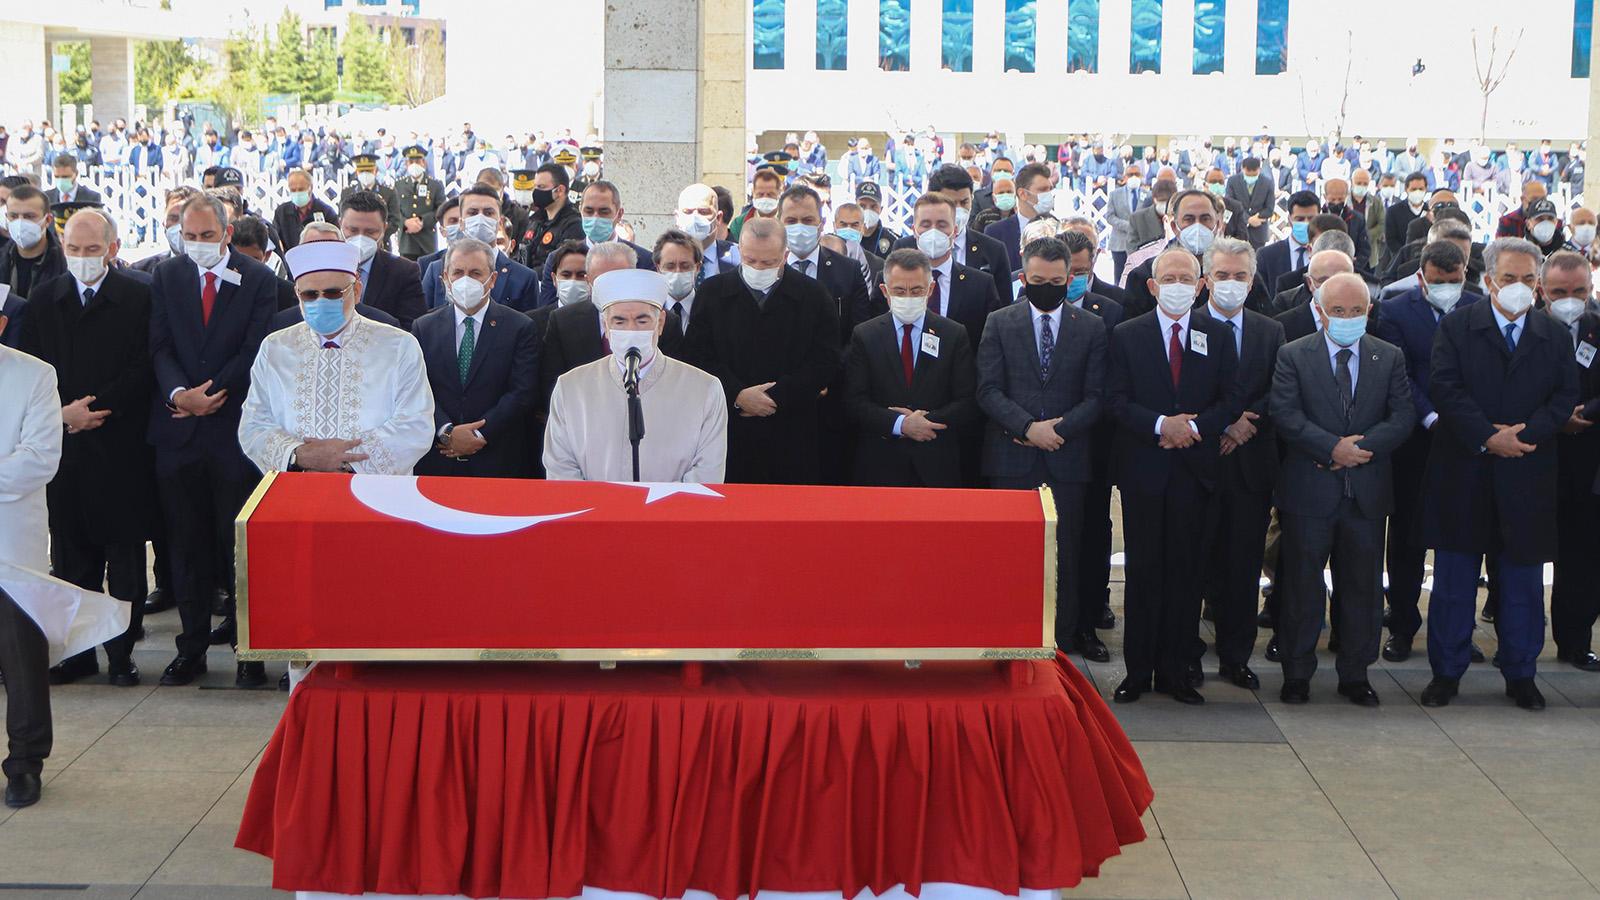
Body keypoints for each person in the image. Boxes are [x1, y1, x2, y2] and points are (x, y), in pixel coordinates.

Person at [1419, 238, 1578, 710]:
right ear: (1489, 280)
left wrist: (1525, 435)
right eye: (1509, 279)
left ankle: (1521, 672)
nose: (1519, 288)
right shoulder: (1458, 326)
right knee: (1453, 583)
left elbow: (1563, 396)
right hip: (1465, 468)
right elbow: (1444, 387)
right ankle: (1446, 673)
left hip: (1526, 470)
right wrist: (1489, 436)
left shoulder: (1551, 334)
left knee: (1523, 584)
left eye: (1529, 280)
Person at [14, 208, 153, 688]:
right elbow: (34, 367)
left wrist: (99, 408)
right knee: (73, 558)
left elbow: (144, 366)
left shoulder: (138, 295)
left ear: (112, 250)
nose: (82, 258)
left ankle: (122, 653)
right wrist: (64, 413)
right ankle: (78, 652)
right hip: (66, 446)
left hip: (122, 446)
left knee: (127, 559)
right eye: (73, 249)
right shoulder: (45, 297)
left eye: (92, 250)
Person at [147, 193, 277, 689]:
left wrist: (211, 393)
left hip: (232, 432)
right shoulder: (167, 275)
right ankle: (191, 647)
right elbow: (158, 343)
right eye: (189, 236)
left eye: (207, 236)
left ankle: (249, 652)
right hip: (178, 430)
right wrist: (181, 393)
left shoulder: (261, 279)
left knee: (236, 546)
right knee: (184, 544)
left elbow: (255, 348)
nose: (197, 245)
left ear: (226, 232)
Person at [1270, 272, 1414, 705]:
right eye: (1338, 311)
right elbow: (1285, 412)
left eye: (1356, 311)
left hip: (1365, 494)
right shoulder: (1294, 355)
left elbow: (1402, 416)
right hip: (1309, 491)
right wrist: (1332, 447)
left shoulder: (1388, 356)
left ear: (1369, 311)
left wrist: (1359, 450)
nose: (1348, 318)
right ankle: (1297, 673)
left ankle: (1355, 674)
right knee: (1299, 586)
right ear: (1320, 311)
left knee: (1362, 587)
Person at [1108, 247, 1242, 704]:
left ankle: (1175, 672)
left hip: (1195, 471)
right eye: (1170, 279)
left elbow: (1230, 397)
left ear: (1201, 284)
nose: (1179, 286)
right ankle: (1137, 671)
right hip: (1146, 470)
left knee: (1186, 575)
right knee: (1144, 574)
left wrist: (1195, 428)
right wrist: (1162, 425)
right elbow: (1117, 399)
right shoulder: (1127, 335)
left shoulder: (1217, 335)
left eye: (1188, 278)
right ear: (1152, 286)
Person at [978, 237, 1108, 655]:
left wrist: (1060, 430)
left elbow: (1097, 395)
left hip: (1067, 459)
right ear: (1023, 277)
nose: (1047, 287)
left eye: (1055, 280)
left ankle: (1063, 637)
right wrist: (1027, 427)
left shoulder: (1090, 326)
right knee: (1008, 554)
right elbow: (988, 389)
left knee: (1066, 553)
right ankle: (1008, 635)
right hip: (1011, 458)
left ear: (1069, 278)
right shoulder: (999, 321)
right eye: (1038, 280)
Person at [239, 235, 434, 485]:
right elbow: (254, 425)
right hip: (297, 488)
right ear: (297, 294)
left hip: (376, 493)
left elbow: (415, 424)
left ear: (356, 290)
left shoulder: (398, 345)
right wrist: (301, 456)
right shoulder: (275, 348)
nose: (321, 301)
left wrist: (345, 462)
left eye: (332, 293)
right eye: (310, 294)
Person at [1370, 241, 1478, 662]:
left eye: (1454, 281)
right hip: (1415, 441)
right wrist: (1432, 418)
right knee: (1407, 541)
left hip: (1468, 441)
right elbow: (1400, 375)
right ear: (1421, 277)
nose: (1447, 288)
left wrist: (1468, 424)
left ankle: (1458, 631)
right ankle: (1401, 625)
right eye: (1438, 282)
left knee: (1463, 540)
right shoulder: (1395, 312)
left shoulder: (1479, 309)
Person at [685, 218, 840, 484]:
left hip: (793, 431)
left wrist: (776, 396)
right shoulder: (713, 293)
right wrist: (737, 394)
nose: (758, 268)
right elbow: (698, 356)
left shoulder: (813, 296)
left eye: (768, 262)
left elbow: (825, 361)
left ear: (785, 255)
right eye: (750, 260)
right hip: (730, 430)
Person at [1195, 238, 1284, 690]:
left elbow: (1280, 387)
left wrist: (1247, 423)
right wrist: (1222, 424)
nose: (1231, 284)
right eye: (1223, 275)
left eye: (1240, 276)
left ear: (1252, 281)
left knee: (1242, 565)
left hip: (1250, 466)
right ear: (1206, 278)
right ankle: (1185, 650)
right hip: (1198, 463)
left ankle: (1235, 656)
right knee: (1192, 563)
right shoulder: (1185, 325)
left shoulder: (1270, 331)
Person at [545, 269, 727, 482]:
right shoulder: (571, 387)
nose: (631, 330)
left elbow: (707, 472)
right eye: (619, 321)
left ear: (660, 323)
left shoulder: (704, 389)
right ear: (606, 326)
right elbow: (561, 468)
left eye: (642, 321)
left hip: (672, 513)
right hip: (592, 513)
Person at [843, 247, 977, 488]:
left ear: (930, 290)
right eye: (899, 291)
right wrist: (900, 425)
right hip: (880, 466)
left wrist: (924, 423)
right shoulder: (865, 335)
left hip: (936, 464)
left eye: (916, 291)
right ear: (885, 291)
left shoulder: (953, 334)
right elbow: (854, 401)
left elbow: (967, 400)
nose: (908, 297)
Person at [412, 238, 539, 478]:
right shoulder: (423, 327)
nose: (465, 280)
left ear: (492, 279)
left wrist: (479, 434)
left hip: (498, 460)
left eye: (475, 273)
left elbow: (522, 392)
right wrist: (447, 432)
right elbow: (417, 388)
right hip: (437, 459)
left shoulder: (520, 327)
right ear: (445, 279)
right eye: (458, 272)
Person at [0, 316, 62, 809]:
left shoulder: (34, 375)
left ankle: (25, 762)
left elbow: (39, 458)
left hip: (11, 544)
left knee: (21, 658)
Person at [1542, 250, 1600, 671]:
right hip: (1532, 452)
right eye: (1560, 291)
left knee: (1581, 556)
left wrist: (1585, 414)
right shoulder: (1525, 328)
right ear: (1542, 290)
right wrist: (1554, 419)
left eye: (1578, 291)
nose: (1570, 299)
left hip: (1586, 458)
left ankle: (1574, 640)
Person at [535, 180, 654, 306]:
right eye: (589, 211)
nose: (595, 217)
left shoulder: (643, 260)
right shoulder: (558, 258)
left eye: (604, 211)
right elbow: (547, 309)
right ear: (580, 210)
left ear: (619, 214)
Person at [421, 185, 538, 312]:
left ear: (499, 223)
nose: (480, 218)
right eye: (473, 213)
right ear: (461, 223)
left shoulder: (524, 277)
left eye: (488, 213)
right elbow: (424, 320)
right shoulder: (436, 270)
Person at [339, 191, 426, 330]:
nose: (360, 238)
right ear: (340, 224)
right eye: (353, 230)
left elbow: (411, 329)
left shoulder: (404, 272)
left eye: (370, 232)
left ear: (384, 229)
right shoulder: (322, 268)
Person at [984, 162, 1056, 274]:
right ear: (1022, 194)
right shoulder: (995, 233)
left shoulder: (1060, 229)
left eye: (1050, 189)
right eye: (1042, 190)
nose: (1048, 194)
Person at [1, 184, 68, 300]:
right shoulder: (3, 258)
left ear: (47, 220)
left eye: (29, 216)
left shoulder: (64, 263)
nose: (20, 222)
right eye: (14, 216)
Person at [1256, 191, 1321, 291]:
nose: (1306, 223)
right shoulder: (1267, 256)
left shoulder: (1326, 255)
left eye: (1311, 218)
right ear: (1289, 220)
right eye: (1300, 219)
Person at [676, 183, 739, 279]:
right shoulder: (662, 258)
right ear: (677, 218)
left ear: (718, 218)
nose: (695, 218)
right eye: (688, 212)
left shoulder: (741, 258)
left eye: (703, 212)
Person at [394, 146, 445, 261]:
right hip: (407, 243)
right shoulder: (399, 185)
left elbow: (441, 209)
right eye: (411, 162)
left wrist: (423, 221)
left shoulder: (435, 185)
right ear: (406, 164)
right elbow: (393, 210)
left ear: (424, 163)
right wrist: (406, 222)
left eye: (417, 161)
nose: (414, 164)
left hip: (427, 242)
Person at [339, 153, 401, 246]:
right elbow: (342, 218)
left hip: (380, 244)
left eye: (369, 170)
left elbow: (395, 220)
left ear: (375, 171)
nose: (365, 174)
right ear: (357, 172)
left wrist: (377, 235)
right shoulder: (347, 192)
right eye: (362, 171)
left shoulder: (388, 192)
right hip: (352, 245)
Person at [271, 169, 336, 254]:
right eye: (293, 190)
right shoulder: (281, 212)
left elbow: (336, 243)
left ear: (311, 188)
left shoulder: (327, 212)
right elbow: (275, 240)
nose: (297, 193)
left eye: (301, 189)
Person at [1103, 166, 1148, 282]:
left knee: (1139, 278)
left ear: (1141, 177)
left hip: (1141, 243)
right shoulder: (1115, 194)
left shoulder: (1148, 195)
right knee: (1120, 278)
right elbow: (1110, 216)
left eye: (1137, 174)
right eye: (1130, 174)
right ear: (1125, 177)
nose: (1134, 177)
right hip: (1119, 243)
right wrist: (1128, 226)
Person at [1225, 157, 1275, 249]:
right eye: (1248, 174)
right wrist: (1248, 219)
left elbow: (1269, 209)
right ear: (1242, 169)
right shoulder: (1233, 181)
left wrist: (1258, 216)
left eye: (1254, 174)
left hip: (1259, 233)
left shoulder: (1267, 183)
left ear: (1259, 170)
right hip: (1237, 231)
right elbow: (1229, 204)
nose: (1251, 177)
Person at [854, 181, 900, 259]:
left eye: (873, 206)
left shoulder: (894, 241)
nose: (867, 210)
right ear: (855, 207)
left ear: (881, 209)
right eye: (862, 206)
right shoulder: (846, 238)